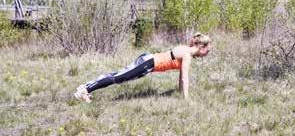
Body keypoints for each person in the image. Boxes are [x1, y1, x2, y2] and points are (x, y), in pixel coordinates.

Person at [74, 32, 211, 103]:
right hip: (149, 62)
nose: (207, 54)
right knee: (118, 78)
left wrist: (181, 94)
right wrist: (186, 100)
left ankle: (86, 88)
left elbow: (181, 77)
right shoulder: (187, 54)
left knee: (118, 76)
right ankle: (84, 89)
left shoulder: (186, 50)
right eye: (207, 50)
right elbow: (185, 79)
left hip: (148, 61)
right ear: (201, 47)